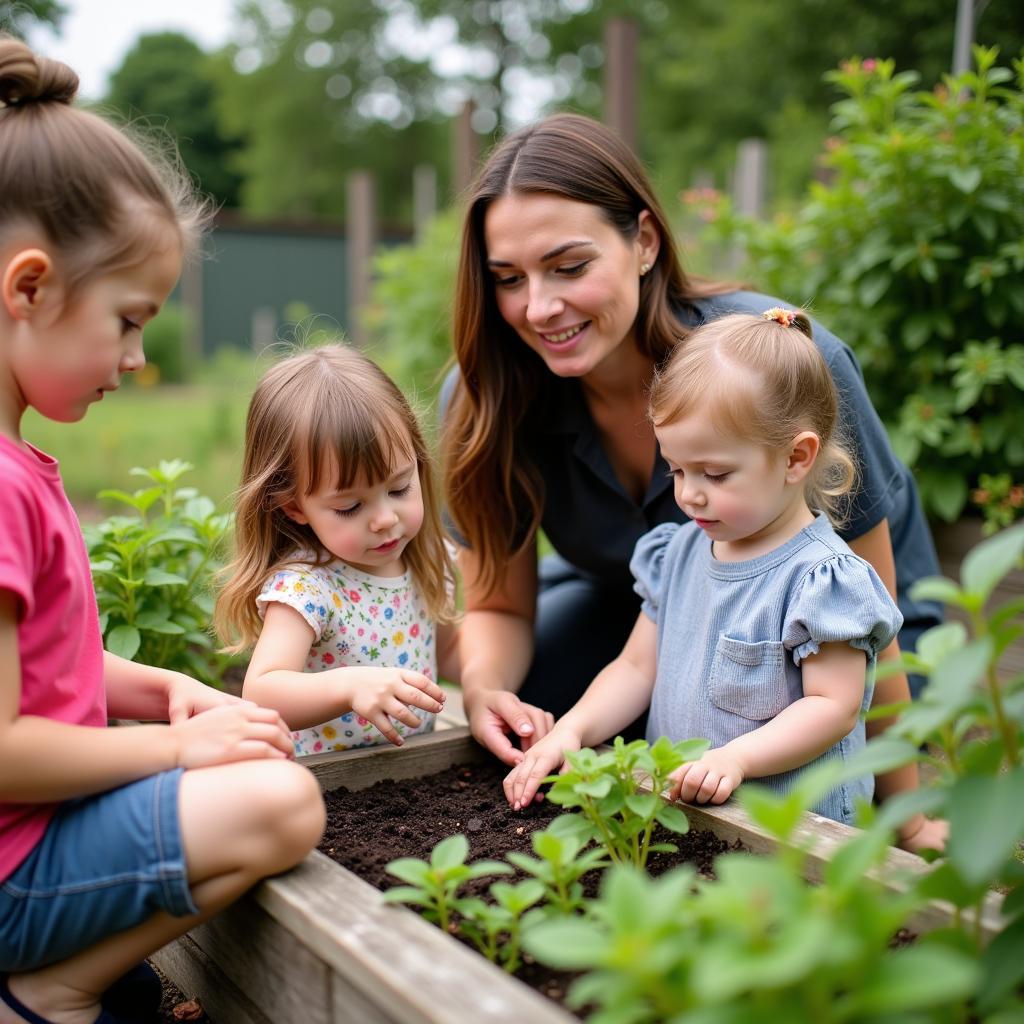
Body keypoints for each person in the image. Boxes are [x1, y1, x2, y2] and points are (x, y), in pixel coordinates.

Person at [440, 112, 944, 849]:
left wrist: (906, 816)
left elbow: (874, 623)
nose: (538, 308)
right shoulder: (491, 389)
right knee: (536, 709)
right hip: (659, 614)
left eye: (569, 267)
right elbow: (497, 606)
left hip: (814, 643)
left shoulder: (778, 364)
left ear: (643, 241)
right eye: (508, 280)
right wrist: (484, 691)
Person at [0, 37, 326, 1024]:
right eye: (128, 321)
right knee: (282, 803)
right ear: (29, 288)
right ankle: (51, 990)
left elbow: (47, 668)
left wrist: (163, 691)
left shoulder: (18, 465)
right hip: (14, 869)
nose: (138, 357)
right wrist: (176, 750)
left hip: (26, 842)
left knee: (249, 767)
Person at [505, 309, 905, 826]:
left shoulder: (821, 580)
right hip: (688, 817)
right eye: (675, 469)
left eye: (715, 473)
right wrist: (573, 729)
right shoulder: (678, 554)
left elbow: (833, 706)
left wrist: (735, 758)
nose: (689, 494)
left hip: (796, 834)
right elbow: (635, 668)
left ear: (795, 458)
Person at [214, 345, 457, 756]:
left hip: (417, 773)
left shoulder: (425, 560)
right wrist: (348, 687)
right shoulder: (307, 589)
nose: (384, 519)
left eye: (399, 488)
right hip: (327, 784)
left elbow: (449, 653)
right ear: (294, 506)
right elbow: (263, 690)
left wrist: (491, 688)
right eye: (350, 506)